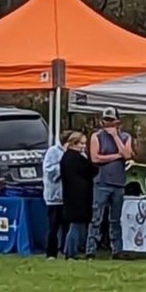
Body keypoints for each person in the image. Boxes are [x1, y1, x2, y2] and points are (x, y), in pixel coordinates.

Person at [86, 107, 134, 258]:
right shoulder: (96, 136)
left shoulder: (125, 137)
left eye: (111, 120)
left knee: (115, 219)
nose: (107, 123)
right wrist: (116, 156)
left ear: (117, 121)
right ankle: (90, 249)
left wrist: (115, 137)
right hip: (101, 182)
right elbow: (95, 158)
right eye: (106, 120)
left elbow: (127, 154)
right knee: (96, 218)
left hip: (118, 183)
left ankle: (117, 250)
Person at [58, 131, 96, 259]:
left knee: (75, 224)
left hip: (70, 194)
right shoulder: (77, 159)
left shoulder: (65, 157)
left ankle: (69, 250)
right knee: (76, 225)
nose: (84, 146)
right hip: (79, 196)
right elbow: (92, 170)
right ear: (74, 144)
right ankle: (70, 251)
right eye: (81, 143)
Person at [42, 133, 66, 259]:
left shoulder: (77, 152)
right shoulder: (53, 151)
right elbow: (49, 171)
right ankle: (51, 252)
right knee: (54, 226)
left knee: (67, 226)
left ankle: (65, 250)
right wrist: (64, 166)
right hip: (55, 196)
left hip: (68, 196)